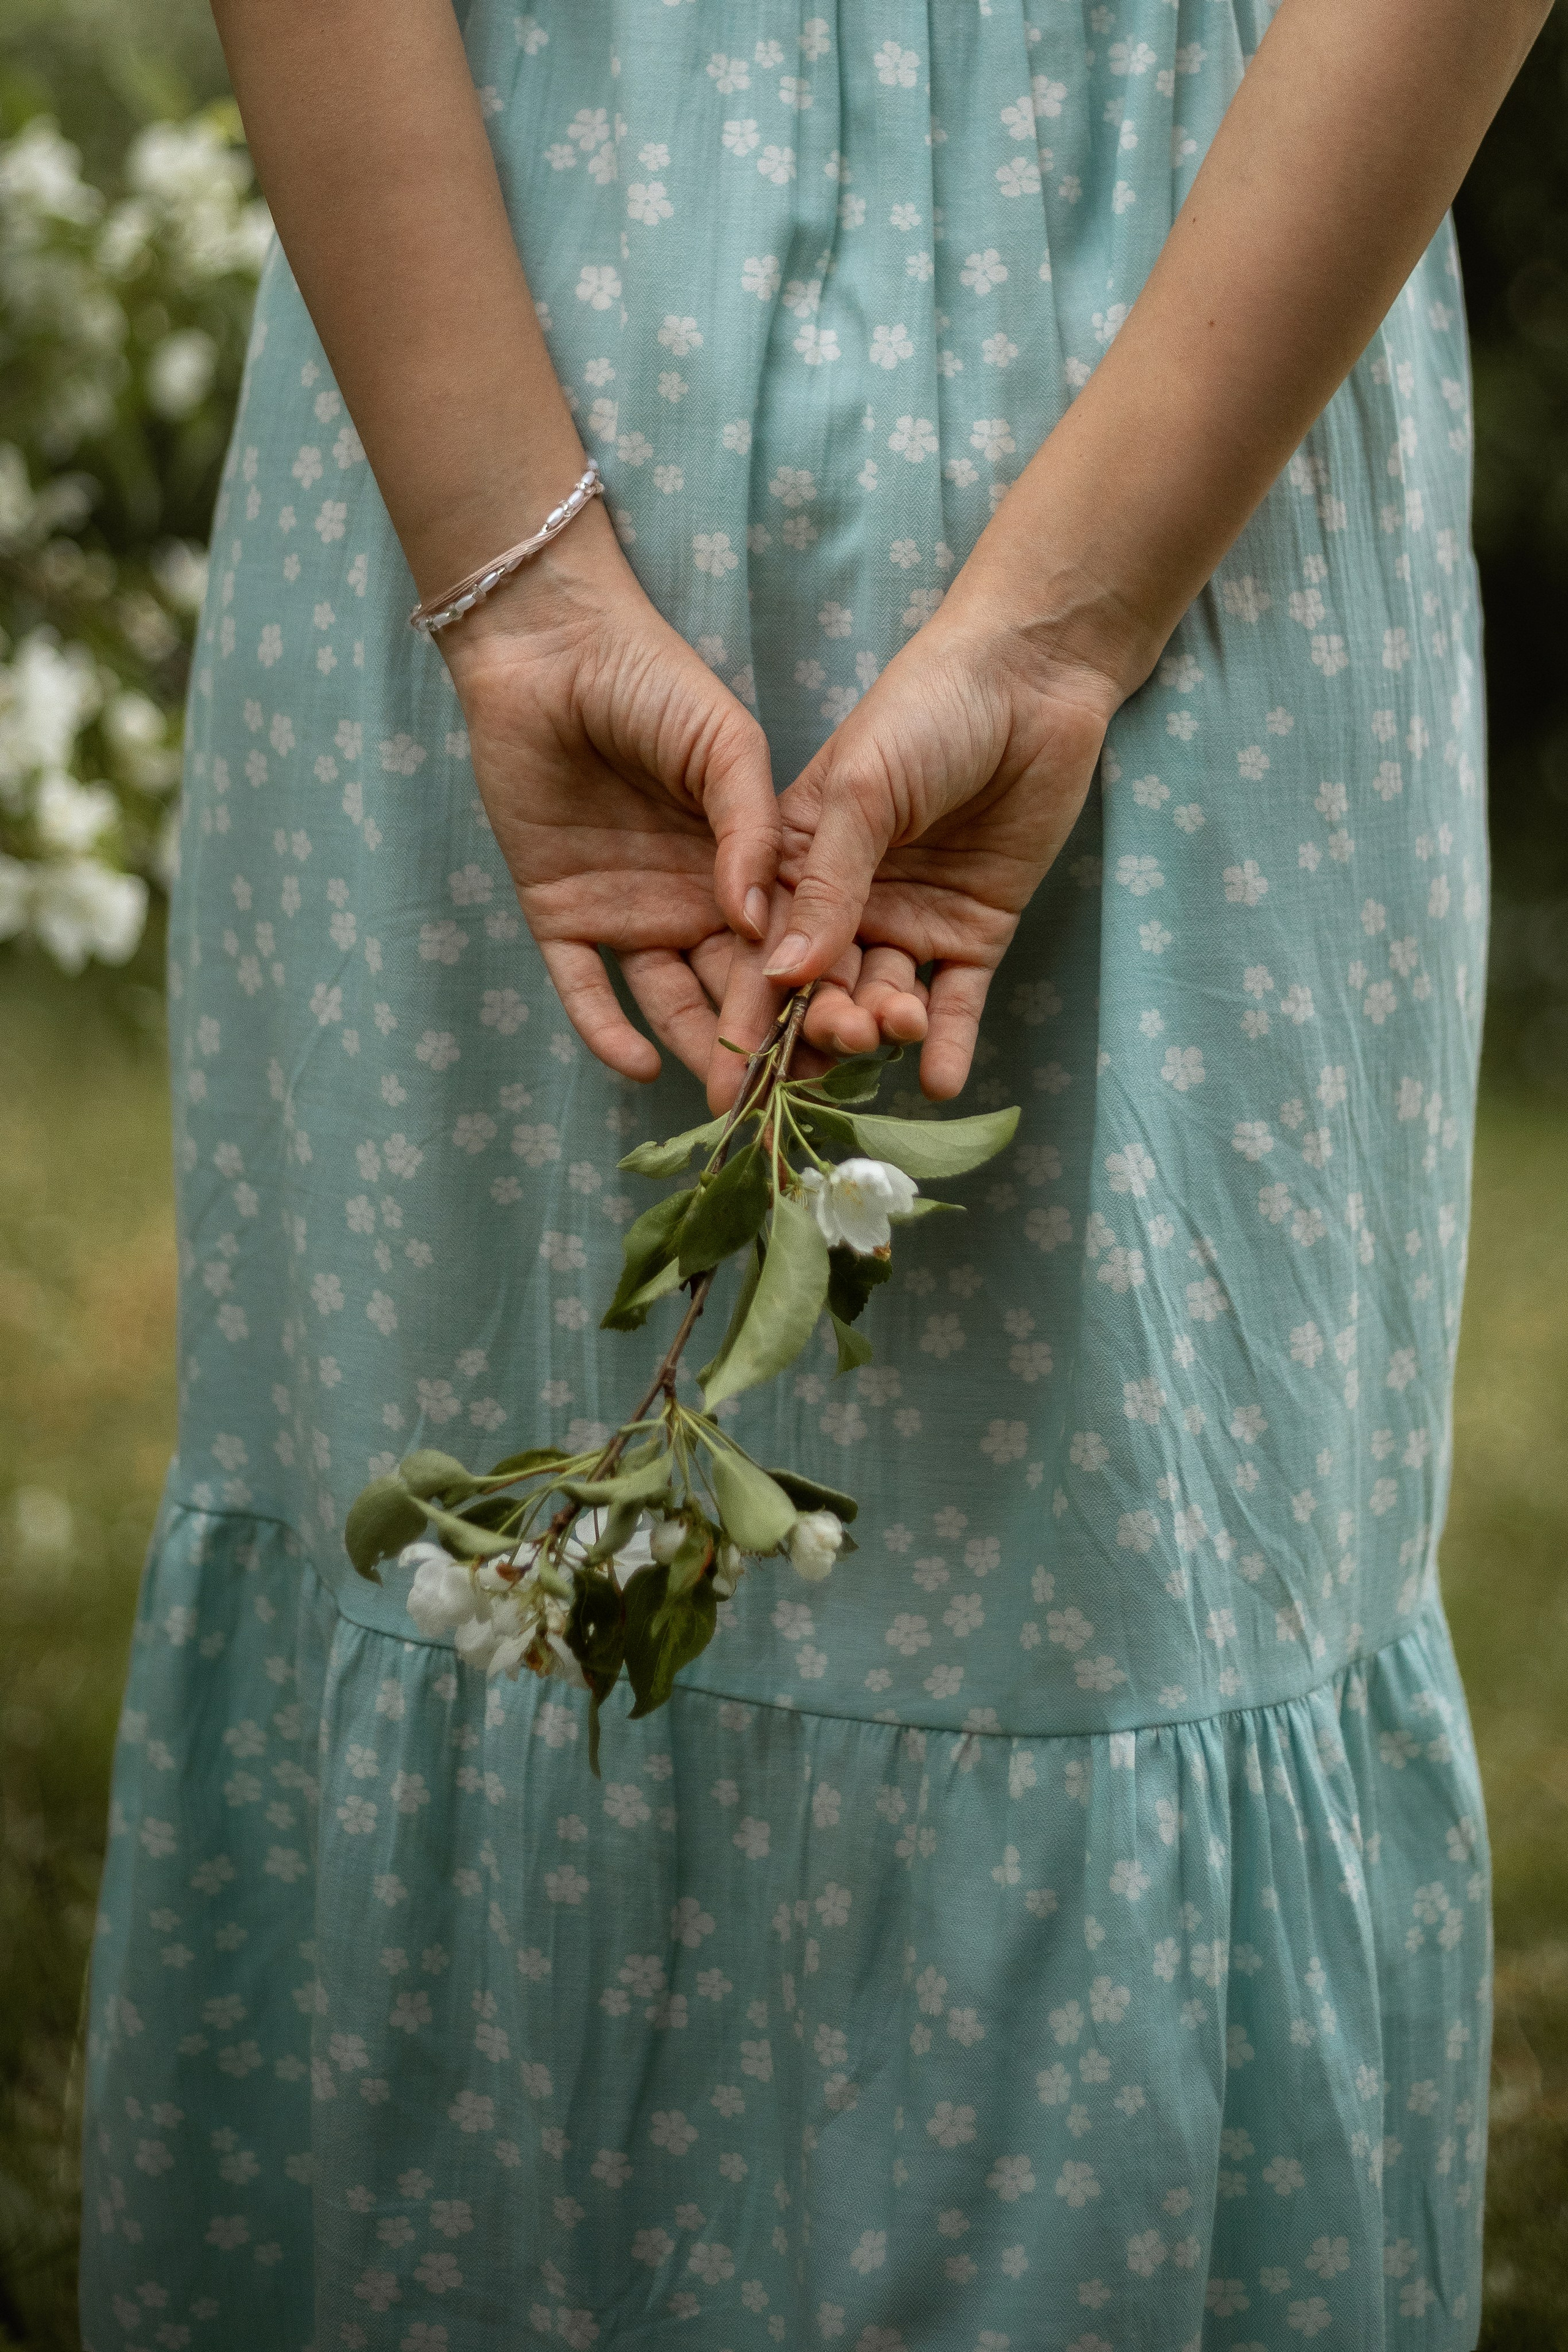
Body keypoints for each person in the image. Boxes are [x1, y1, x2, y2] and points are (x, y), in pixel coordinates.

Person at [80, 1, 1547, 2344]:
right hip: (486, 352)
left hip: (1181, 389)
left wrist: (1071, 616)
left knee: (1125, 1569)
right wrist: (511, 574)